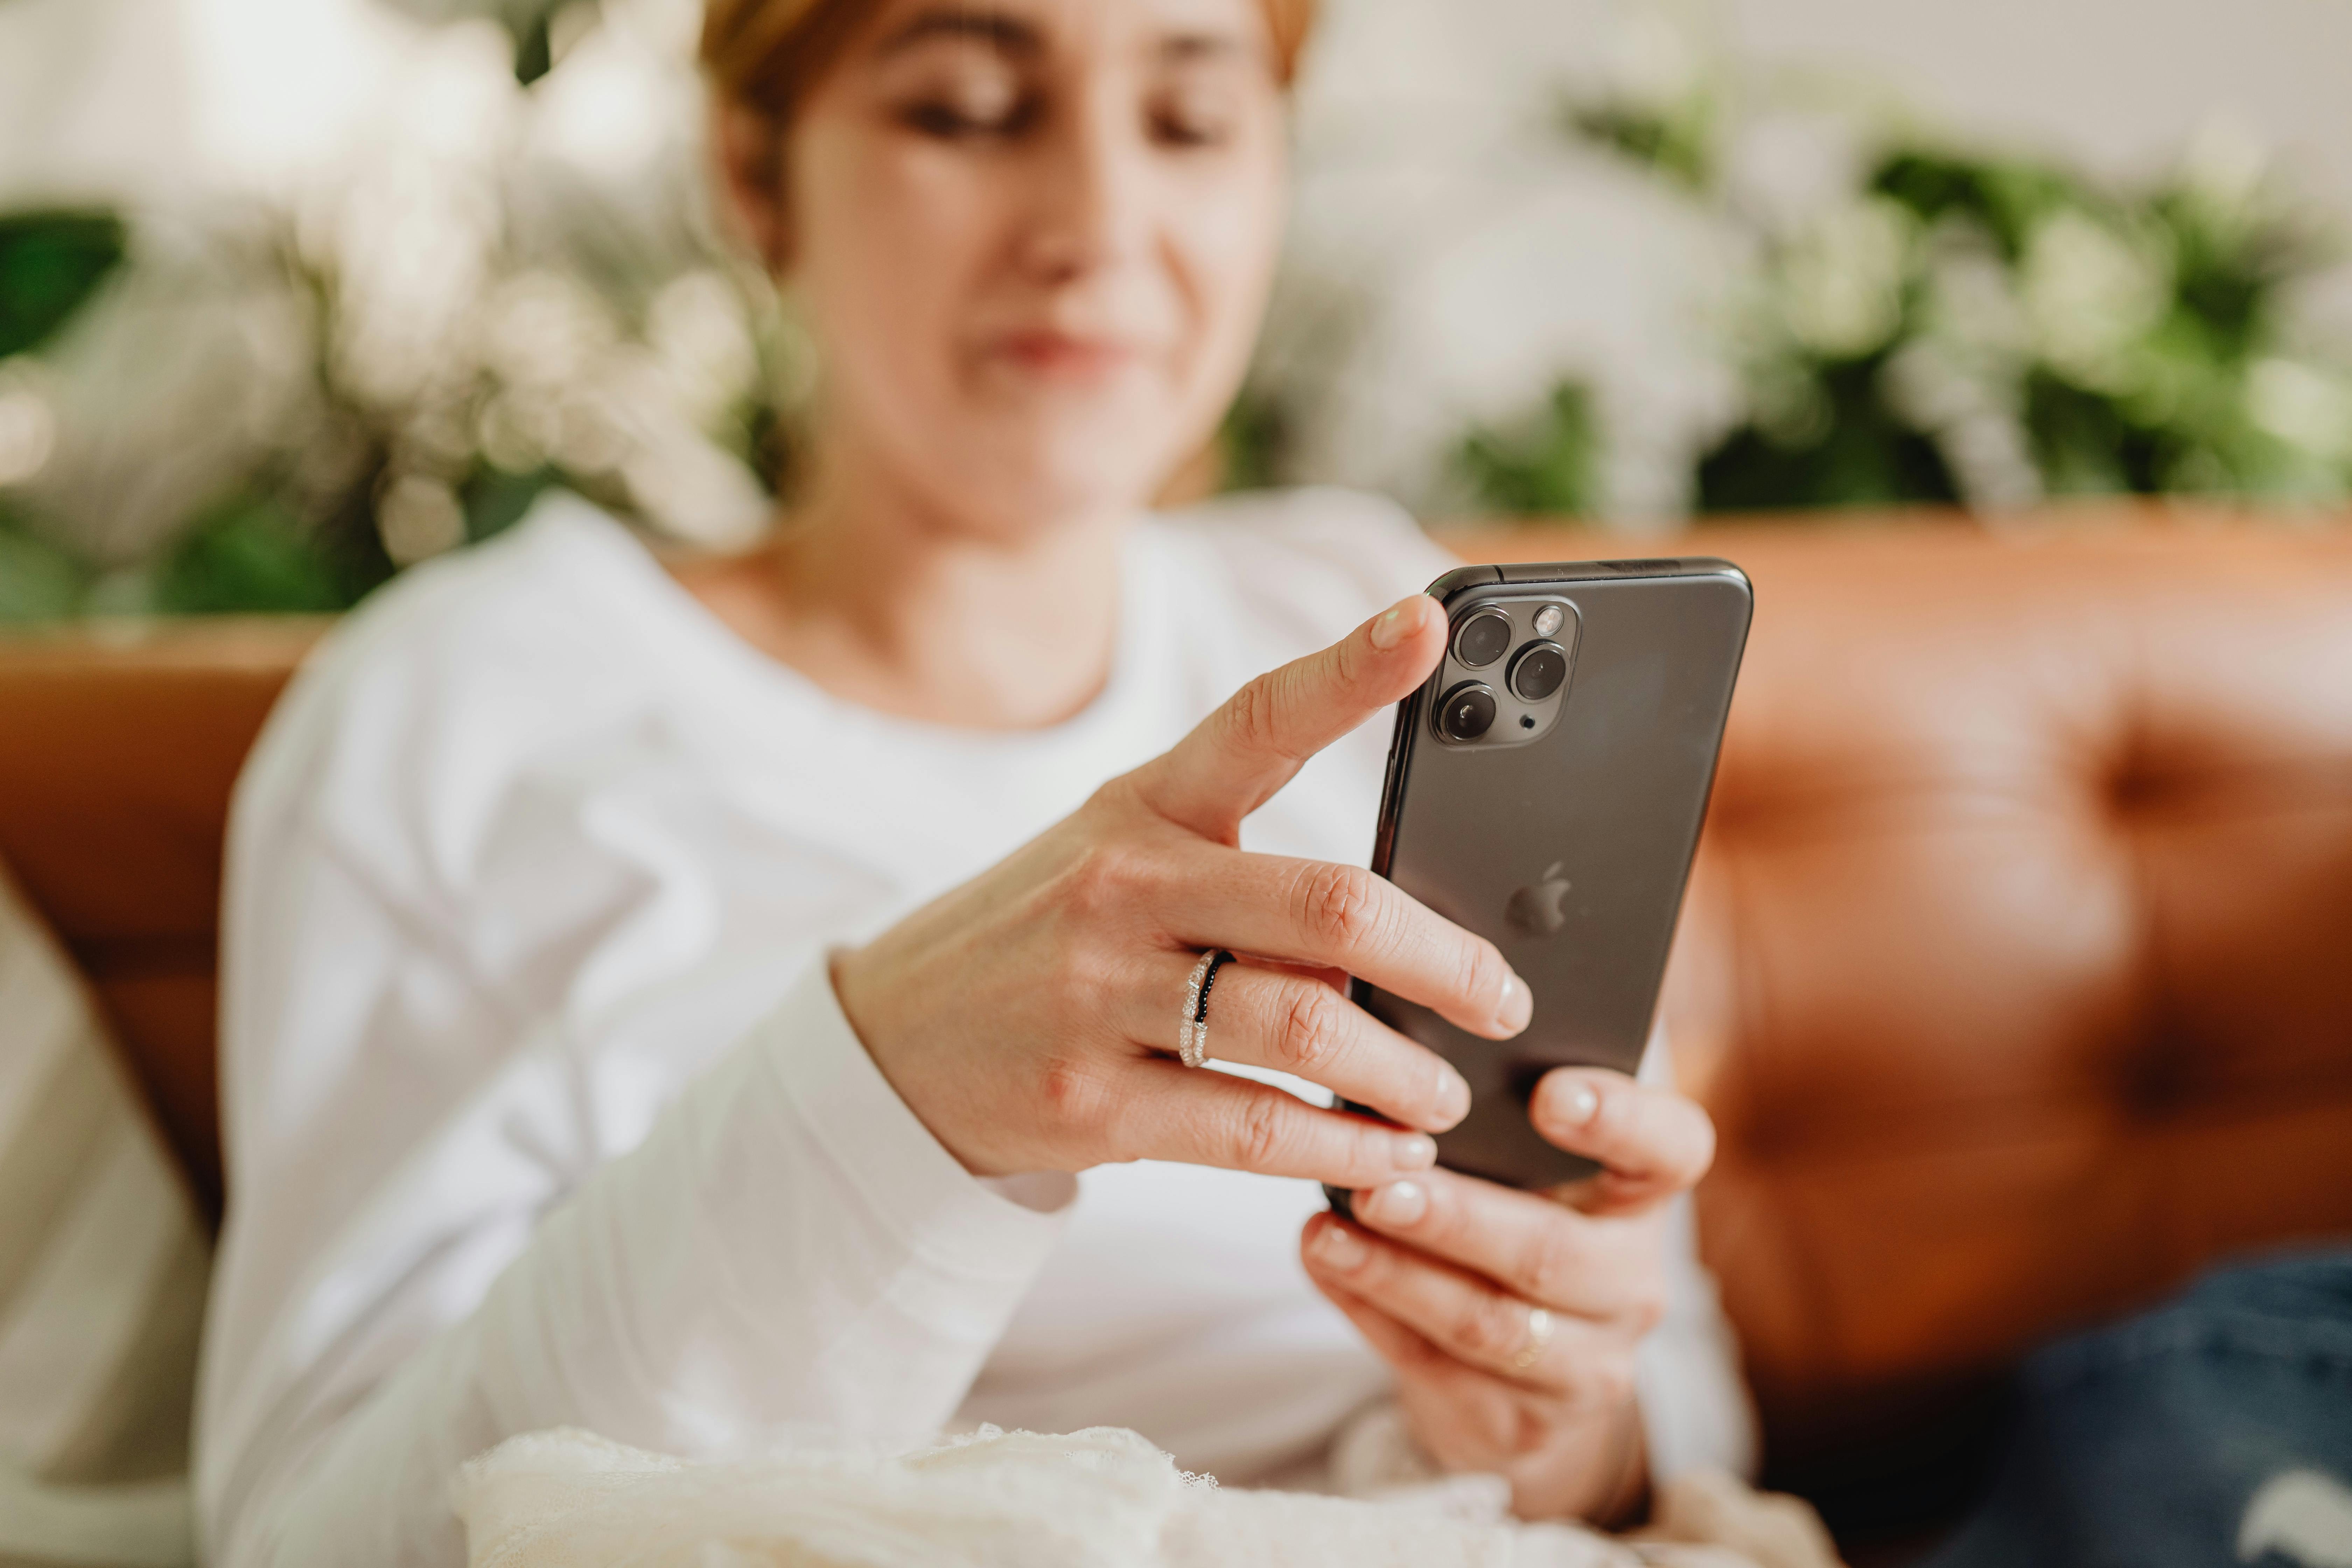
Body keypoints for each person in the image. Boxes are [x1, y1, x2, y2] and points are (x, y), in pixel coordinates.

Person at [193, 0, 1754, 1561]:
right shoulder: (463, 710)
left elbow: (1661, 1412)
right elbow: (310, 1536)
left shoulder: (1371, 625)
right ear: (754, 172)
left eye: (1191, 123)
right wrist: (896, 1090)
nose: (1099, 224)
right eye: (964, 109)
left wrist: (1561, 1429)